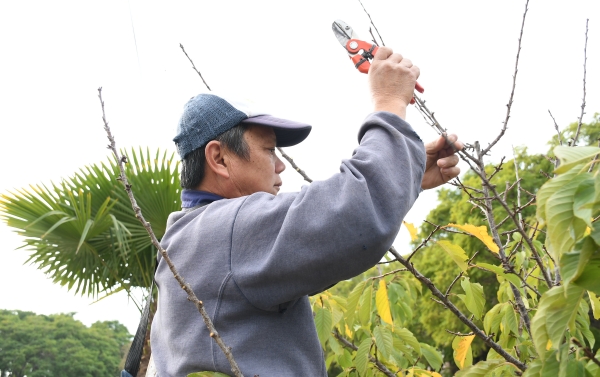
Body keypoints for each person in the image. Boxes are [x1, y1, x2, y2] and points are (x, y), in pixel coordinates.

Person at [150, 47, 462, 376]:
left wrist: (403, 170)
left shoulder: (187, 240)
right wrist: (390, 102)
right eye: (270, 150)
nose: (280, 165)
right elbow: (358, 212)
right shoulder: (226, 231)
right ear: (219, 159)